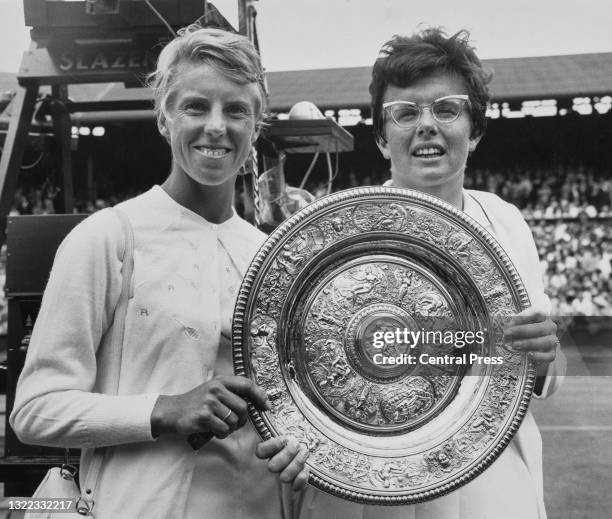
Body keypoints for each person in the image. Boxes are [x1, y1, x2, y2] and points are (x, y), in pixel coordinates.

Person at [10, 27, 309, 518]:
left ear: (256, 127)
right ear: (165, 119)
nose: (216, 126)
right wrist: (162, 410)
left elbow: (291, 406)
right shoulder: (108, 238)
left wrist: (299, 444)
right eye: (195, 106)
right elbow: (35, 410)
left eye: (236, 110)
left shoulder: (273, 256)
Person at [297, 28, 566, 519]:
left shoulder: (506, 221)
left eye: (447, 109)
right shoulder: (337, 237)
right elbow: (331, 369)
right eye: (405, 112)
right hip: (377, 490)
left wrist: (545, 356)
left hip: (494, 480)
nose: (427, 125)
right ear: (381, 138)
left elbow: (541, 367)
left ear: (475, 130)